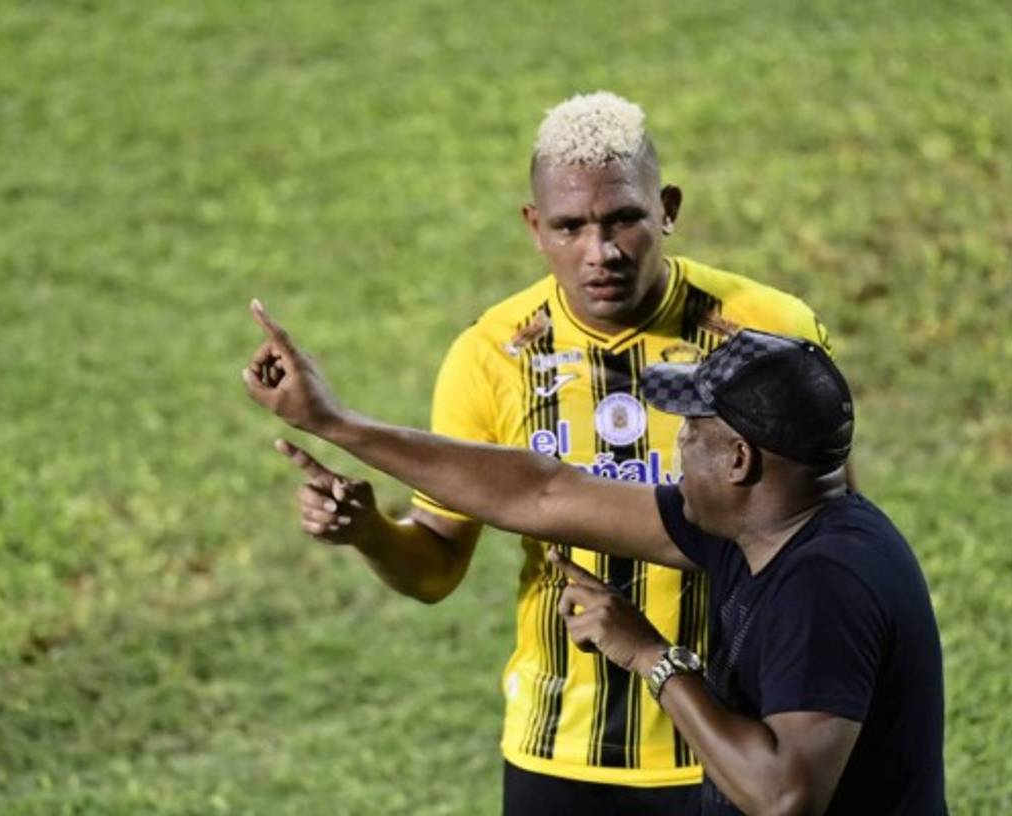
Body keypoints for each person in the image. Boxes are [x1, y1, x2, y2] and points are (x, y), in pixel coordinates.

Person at [269, 91, 839, 814]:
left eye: (623, 219)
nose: (599, 252)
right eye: (570, 227)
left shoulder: (767, 333)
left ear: (666, 207)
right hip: (560, 757)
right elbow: (439, 565)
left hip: (735, 746)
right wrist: (370, 534)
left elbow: (828, 540)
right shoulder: (491, 357)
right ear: (535, 228)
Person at [242, 311, 947, 815]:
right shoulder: (760, 526)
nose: (676, 449)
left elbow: (782, 793)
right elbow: (543, 490)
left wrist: (650, 656)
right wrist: (336, 423)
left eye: (694, 433)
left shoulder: (824, 584)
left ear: (739, 459)